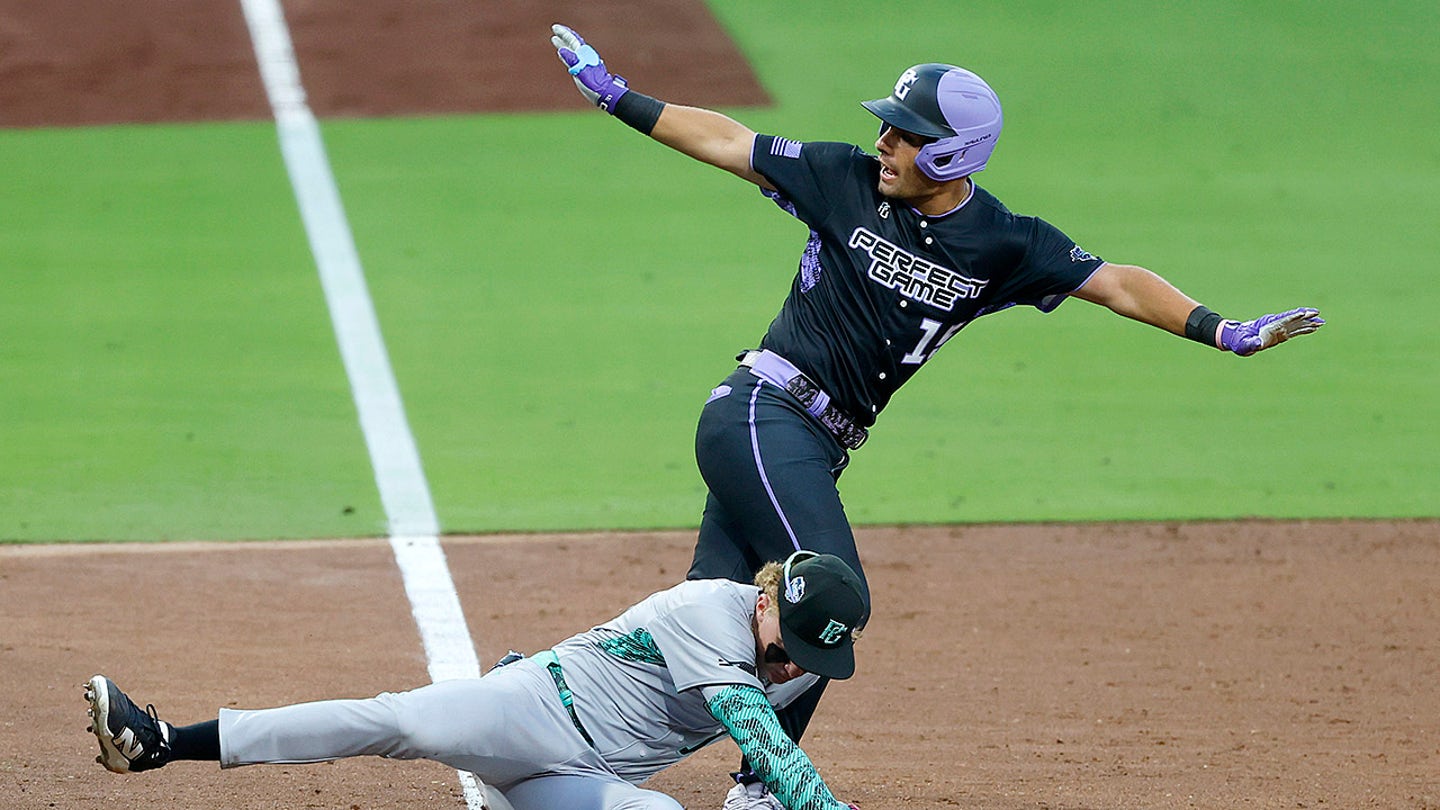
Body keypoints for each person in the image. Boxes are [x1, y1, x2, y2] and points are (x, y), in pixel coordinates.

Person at [547, 23, 1326, 810]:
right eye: (887, 127)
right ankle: (764, 789)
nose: (883, 142)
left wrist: (1221, 330)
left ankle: (555, 718)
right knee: (829, 599)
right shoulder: (841, 178)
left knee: (706, 613)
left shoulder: (1002, 244)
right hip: (761, 415)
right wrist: (618, 98)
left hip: (806, 444)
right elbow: (729, 142)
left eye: (906, 134)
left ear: (954, 154)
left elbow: (1117, 282)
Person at [84, 551, 865, 810]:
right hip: (531, 710)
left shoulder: (788, 664)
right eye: (792, 643)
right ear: (767, 599)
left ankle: (500, 796)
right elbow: (768, 745)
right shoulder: (709, 612)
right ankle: (162, 742)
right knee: (398, 722)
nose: (794, 666)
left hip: (577, 781)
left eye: (812, 658)